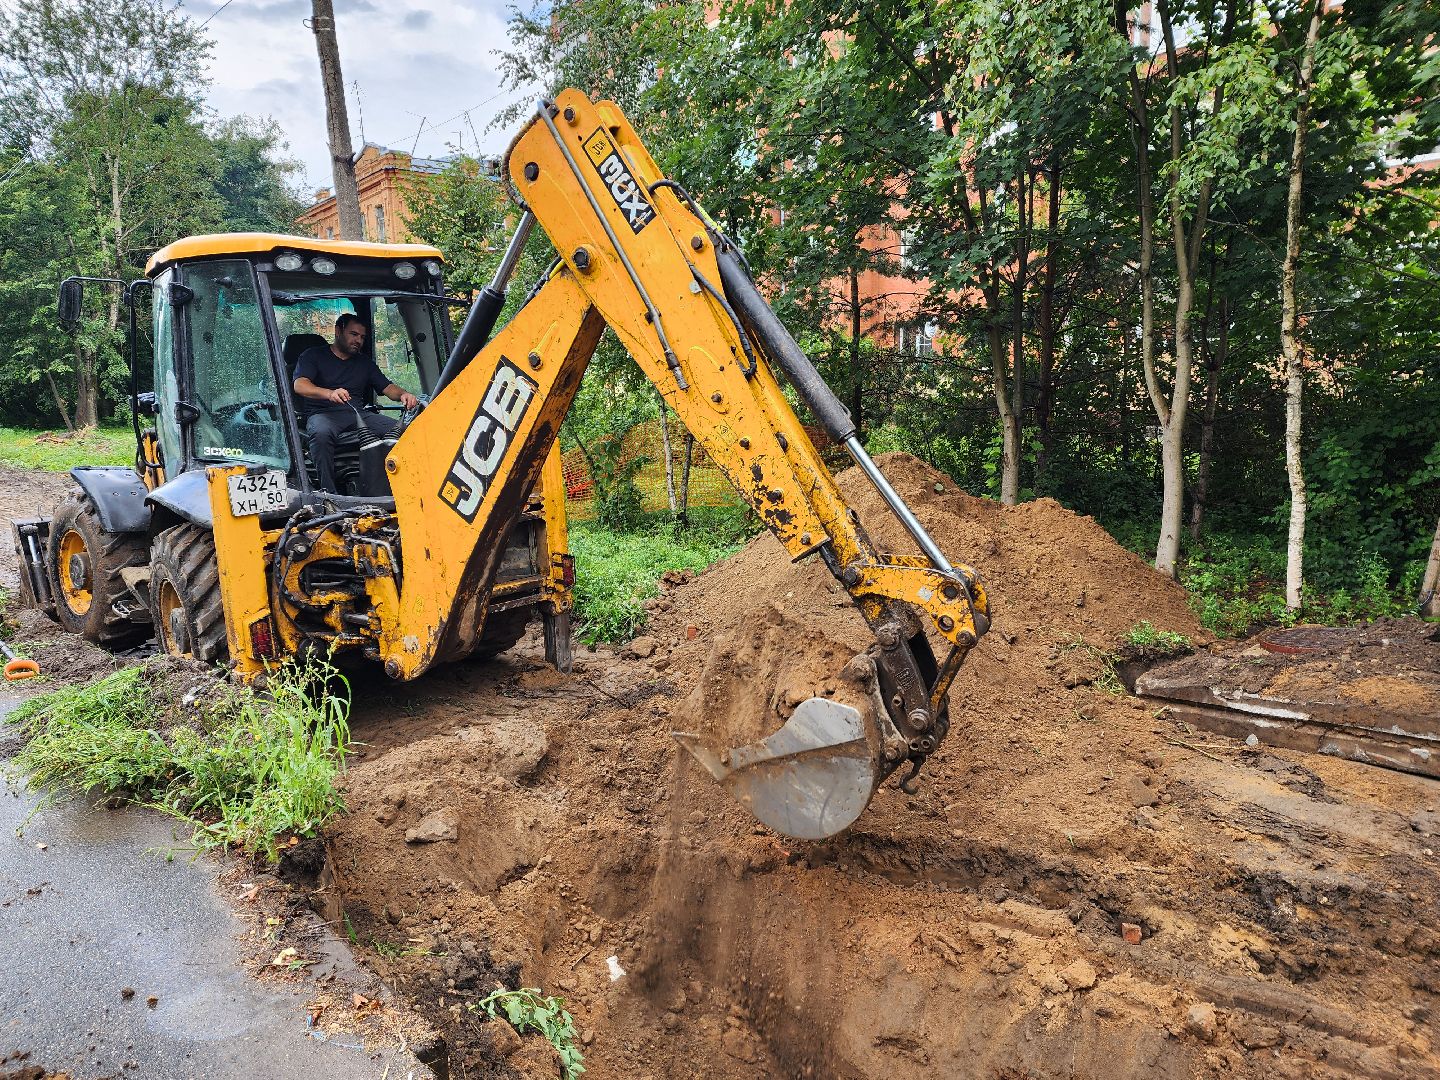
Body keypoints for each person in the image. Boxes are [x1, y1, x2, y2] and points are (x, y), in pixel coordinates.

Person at [293, 313, 419, 493]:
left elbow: (388, 388)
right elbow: (300, 385)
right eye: (353, 334)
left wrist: (405, 394)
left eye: (362, 337)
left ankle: (403, 487)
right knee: (320, 434)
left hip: (358, 415)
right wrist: (329, 393)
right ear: (338, 331)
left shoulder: (364, 363)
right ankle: (329, 493)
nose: (358, 340)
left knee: (406, 432)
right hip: (323, 415)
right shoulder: (313, 356)